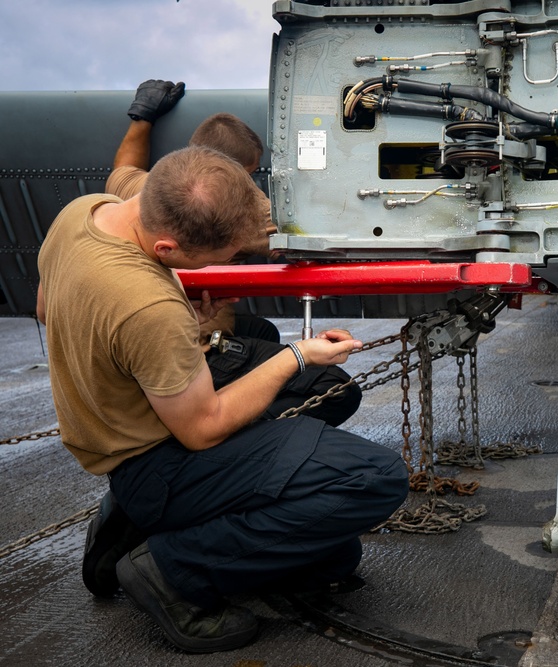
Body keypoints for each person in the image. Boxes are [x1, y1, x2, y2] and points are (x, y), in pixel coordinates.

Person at [37, 145, 409, 653]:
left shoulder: (84, 213)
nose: (233, 265)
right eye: (227, 259)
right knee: (374, 480)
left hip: (134, 421)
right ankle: (172, 570)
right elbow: (202, 429)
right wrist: (294, 355)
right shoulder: (146, 307)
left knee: (332, 533)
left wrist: (163, 341)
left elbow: (45, 307)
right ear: (166, 249)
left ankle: (133, 519)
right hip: (158, 459)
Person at [106, 79, 363, 427]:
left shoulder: (147, 190)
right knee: (336, 388)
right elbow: (316, 235)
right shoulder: (243, 211)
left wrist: (142, 116)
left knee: (261, 332)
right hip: (188, 344)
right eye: (248, 173)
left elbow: (124, 168)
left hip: (147, 341)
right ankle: (235, 433)